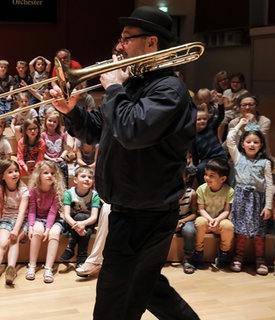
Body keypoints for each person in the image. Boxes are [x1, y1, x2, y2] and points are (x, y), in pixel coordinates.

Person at [50, 6, 199, 319]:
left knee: (114, 301)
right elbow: (98, 130)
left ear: (151, 43)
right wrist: (71, 111)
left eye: (127, 39)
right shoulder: (134, 84)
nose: (119, 46)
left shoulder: (169, 90)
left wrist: (115, 87)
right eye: (121, 39)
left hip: (146, 214)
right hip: (130, 209)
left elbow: (132, 132)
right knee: (148, 288)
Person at [226, 118, 273, 275]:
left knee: (259, 231)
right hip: (241, 199)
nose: (252, 145)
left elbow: (269, 185)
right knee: (241, 230)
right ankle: (238, 256)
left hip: (258, 200)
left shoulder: (265, 162)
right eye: (248, 141)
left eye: (256, 142)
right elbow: (229, 140)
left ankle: (260, 258)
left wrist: (268, 206)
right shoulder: (238, 157)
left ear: (261, 145)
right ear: (242, 144)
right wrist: (239, 125)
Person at [0, 159, 29, 286]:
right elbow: (2, 206)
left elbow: (22, 212)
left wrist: (16, 230)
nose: (15, 174)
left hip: (21, 222)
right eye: (10, 172)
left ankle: (11, 269)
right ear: (3, 176)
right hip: (6, 219)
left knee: (13, 240)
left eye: (16, 171)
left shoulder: (24, 191)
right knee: (2, 243)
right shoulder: (0, 189)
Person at [25, 160, 65, 284]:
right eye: (46, 173)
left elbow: (53, 212)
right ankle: (32, 265)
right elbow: (31, 210)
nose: (49, 176)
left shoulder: (55, 191)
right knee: (37, 230)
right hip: (38, 218)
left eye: (52, 173)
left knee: (54, 233)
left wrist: (48, 229)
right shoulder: (33, 191)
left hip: (55, 220)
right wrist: (30, 226)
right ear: (39, 175)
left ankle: (48, 268)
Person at [191, 158, 234, 271]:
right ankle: (198, 252)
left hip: (219, 221)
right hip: (206, 220)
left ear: (223, 179)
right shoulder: (201, 189)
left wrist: (217, 220)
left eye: (211, 176)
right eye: (206, 174)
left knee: (228, 226)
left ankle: (223, 253)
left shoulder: (229, 191)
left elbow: (226, 211)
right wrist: (210, 219)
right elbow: (201, 209)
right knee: (200, 222)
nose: (207, 178)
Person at [59, 166, 100, 267]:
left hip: (88, 222)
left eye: (90, 177)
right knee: (84, 224)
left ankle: (71, 247)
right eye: (83, 176)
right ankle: (81, 258)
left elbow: (94, 217)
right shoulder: (69, 193)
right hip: (72, 223)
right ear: (75, 180)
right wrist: (77, 225)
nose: (87, 179)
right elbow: (66, 215)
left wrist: (82, 224)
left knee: (83, 220)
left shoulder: (94, 195)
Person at [190, 102, 226, 185]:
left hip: (219, 157)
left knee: (221, 169)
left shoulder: (211, 127)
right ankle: (203, 188)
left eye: (204, 119)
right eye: (199, 119)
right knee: (199, 168)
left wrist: (221, 104)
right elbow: (194, 154)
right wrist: (195, 166)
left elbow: (220, 117)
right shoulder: (193, 137)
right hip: (206, 160)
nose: (202, 121)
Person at [176, 170, 198, 274]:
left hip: (185, 220)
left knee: (189, 231)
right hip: (170, 220)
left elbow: (194, 214)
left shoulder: (191, 193)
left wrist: (181, 221)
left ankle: (188, 258)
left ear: (187, 178)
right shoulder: (167, 194)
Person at [217, 72, 248, 143]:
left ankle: (237, 141)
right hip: (229, 112)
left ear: (242, 83)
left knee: (239, 122)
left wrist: (232, 103)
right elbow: (226, 106)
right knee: (222, 121)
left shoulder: (244, 92)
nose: (235, 84)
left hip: (239, 112)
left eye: (238, 82)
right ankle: (219, 141)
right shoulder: (227, 92)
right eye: (233, 82)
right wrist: (233, 103)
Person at [42, 109, 69, 187]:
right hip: (48, 159)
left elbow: (66, 149)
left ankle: (64, 188)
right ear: (46, 121)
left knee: (63, 166)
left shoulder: (62, 134)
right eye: (50, 120)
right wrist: (51, 159)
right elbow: (42, 152)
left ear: (58, 124)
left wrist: (61, 157)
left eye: (55, 122)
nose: (52, 123)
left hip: (59, 159)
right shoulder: (43, 135)